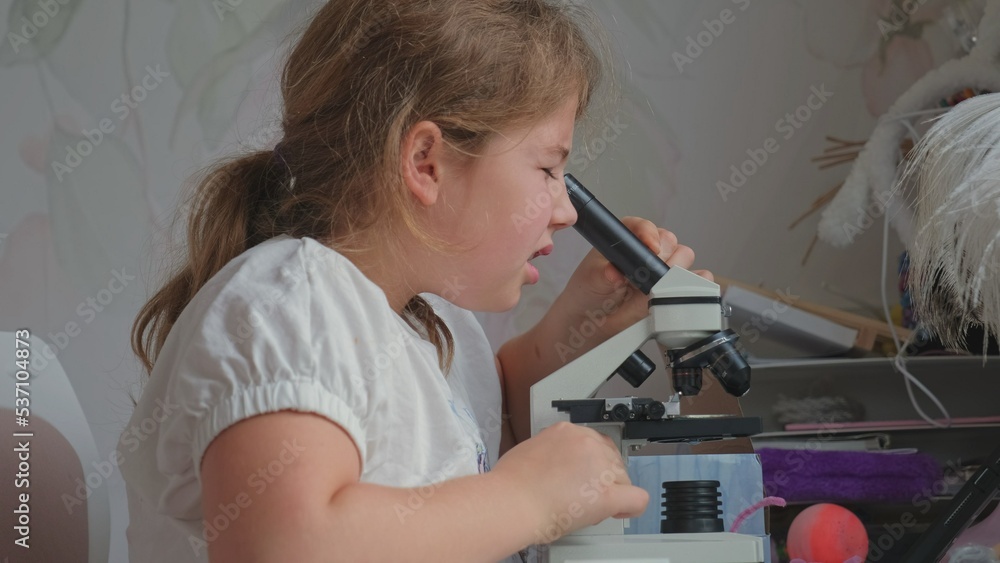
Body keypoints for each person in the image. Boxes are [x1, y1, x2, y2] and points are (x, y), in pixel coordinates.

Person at [121, 1, 713, 561]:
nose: (565, 210)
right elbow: (288, 546)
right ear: (426, 162)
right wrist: (528, 500)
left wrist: (583, 320)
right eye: (548, 169)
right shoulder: (290, 304)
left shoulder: (424, 320)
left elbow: (480, 430)